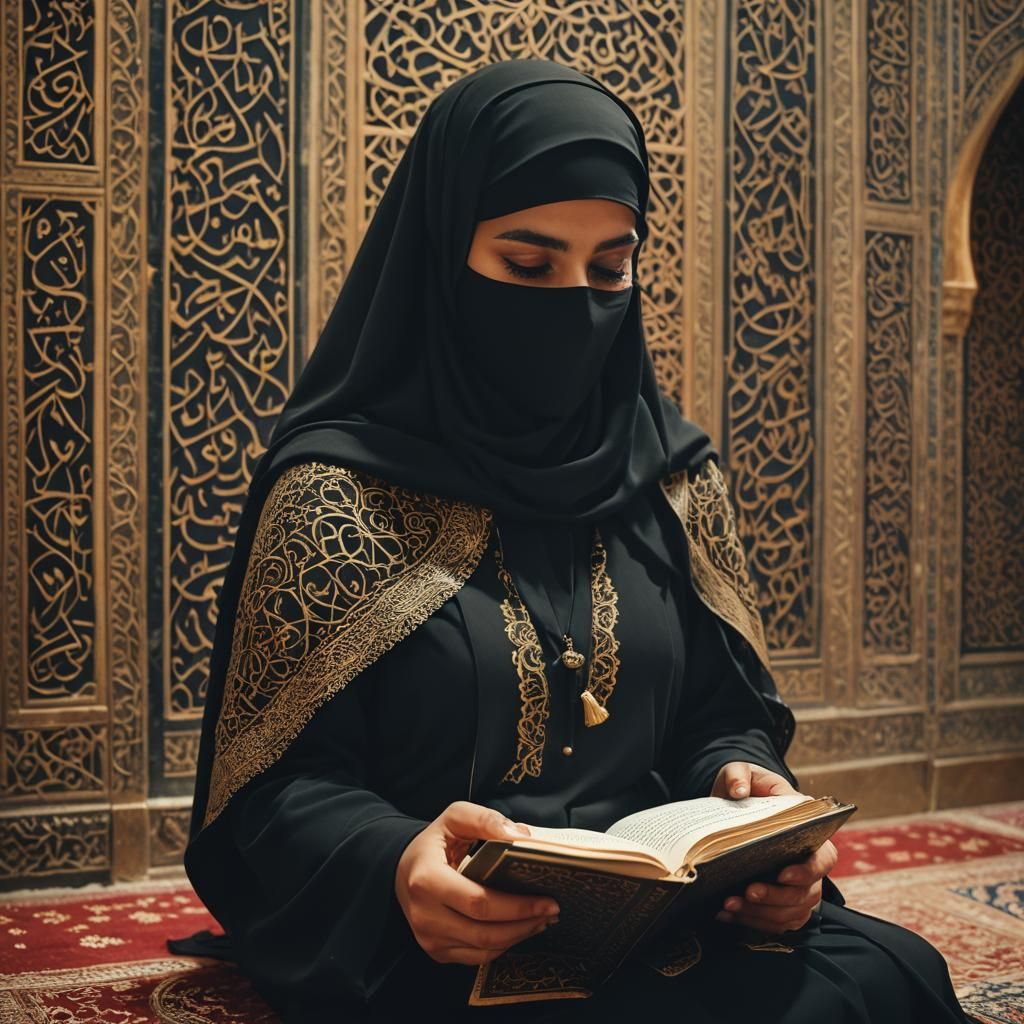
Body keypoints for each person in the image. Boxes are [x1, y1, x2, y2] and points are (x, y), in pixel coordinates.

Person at [171, 59, 971, 1022]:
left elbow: (716, 716)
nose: (575, 302)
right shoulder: (338, 495)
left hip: (669, 923)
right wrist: (398, 865)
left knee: (898, 977)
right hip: (444, 938)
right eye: (528, 263)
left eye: (609, 267)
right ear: (441, 255)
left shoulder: (670, 478)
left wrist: (745, 787)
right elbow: (276, 792)